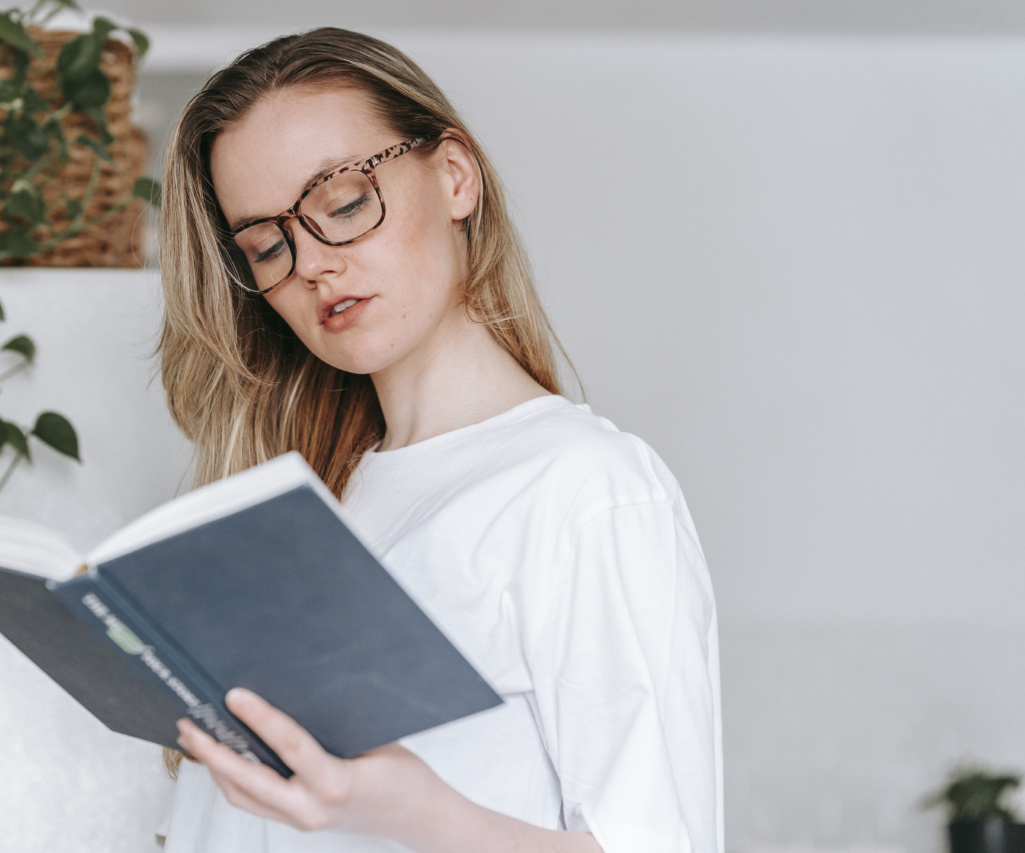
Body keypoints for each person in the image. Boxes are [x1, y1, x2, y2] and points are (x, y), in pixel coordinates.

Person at [153, 26, 722, 853]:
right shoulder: (295, 512)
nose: (312, 263)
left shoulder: (583, 489)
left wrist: (418, 813)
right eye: (269, 245)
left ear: (455, 176)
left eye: (343, 204)